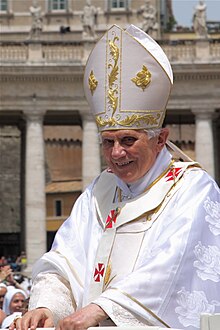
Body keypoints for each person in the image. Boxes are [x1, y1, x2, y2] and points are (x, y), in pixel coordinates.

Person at [11, 24, 220, 330]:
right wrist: (47, 306)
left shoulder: (193, 190)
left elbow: (174, 268)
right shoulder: (99, 191)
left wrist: (101, 309)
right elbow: (64, 262)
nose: (117, 153)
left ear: (161, 139)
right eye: (108, 142)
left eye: (128, 141)